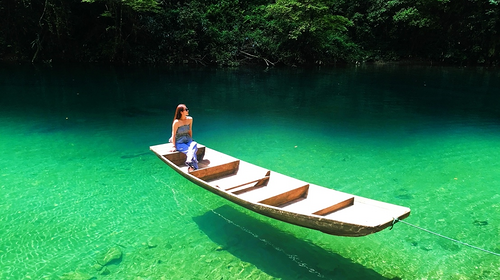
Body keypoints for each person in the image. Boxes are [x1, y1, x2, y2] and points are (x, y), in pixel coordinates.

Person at [169, 104, 199, 172]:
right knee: (190, 151)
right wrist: (174, 146)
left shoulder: (190, 119)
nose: (187, 111)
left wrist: (190, 140)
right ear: (181, 112)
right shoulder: (176, 122)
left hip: (187, 139)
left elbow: (190, 130)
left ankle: (189, 161)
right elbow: (173, 134)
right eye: (186, 109)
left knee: (194, 144)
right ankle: (194, 168)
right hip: (179, 141)